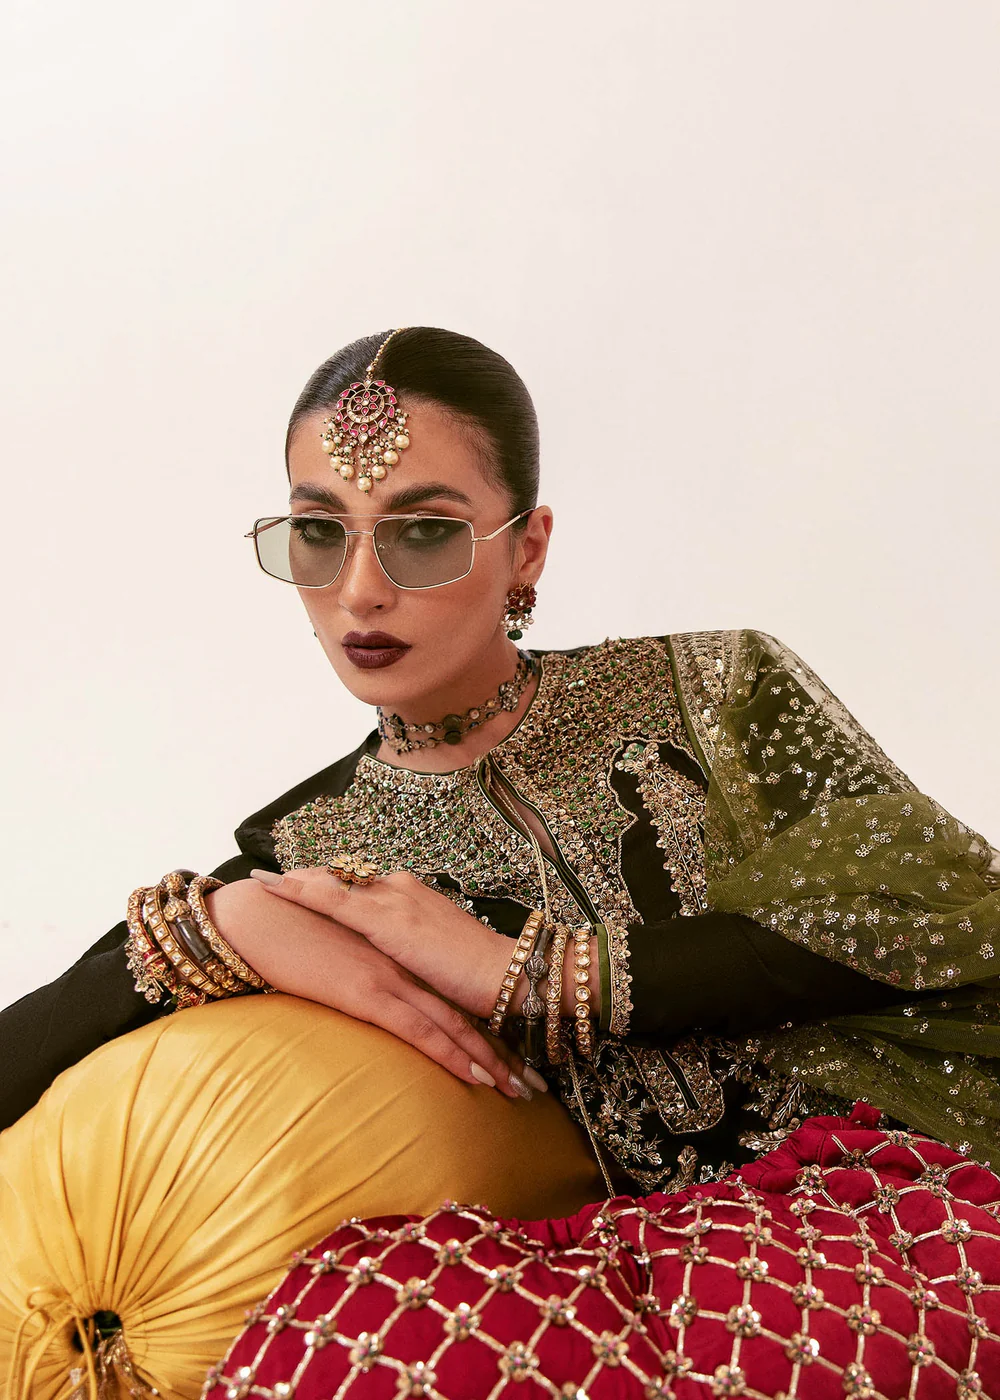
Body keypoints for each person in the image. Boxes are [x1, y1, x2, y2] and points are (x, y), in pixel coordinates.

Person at [3, 326, 1000, 1399]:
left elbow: (942, 913)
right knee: (339, 1349)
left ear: (527, 547)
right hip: (636, 1285)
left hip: (906, 1191)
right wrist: (222, 923)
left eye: (425, 532)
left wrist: (539, 974)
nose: (360, 590)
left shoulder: (717, 687)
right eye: (319, 533)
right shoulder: (308, 852)